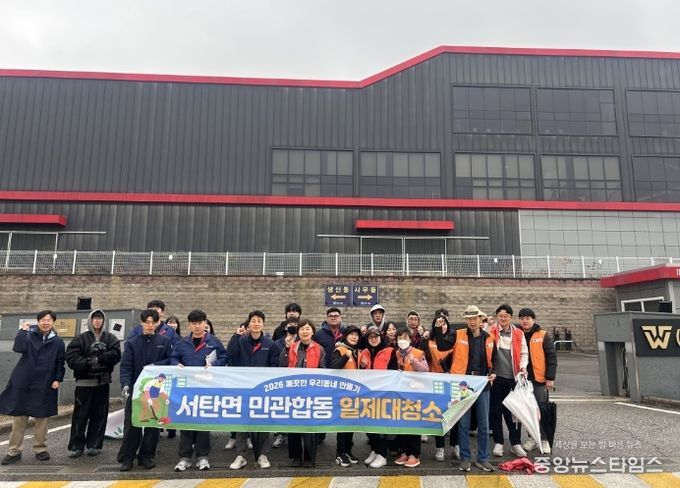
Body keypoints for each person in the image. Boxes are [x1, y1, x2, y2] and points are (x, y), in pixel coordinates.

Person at [0, 310, 65, 465]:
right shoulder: (29, 335)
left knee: (42, 418)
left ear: (53, 322)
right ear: (38, 321)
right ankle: (14, 451)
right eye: (43, 320)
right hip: (24, 382)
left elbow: (60, 362)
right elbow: (18, 348)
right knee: (19, 417)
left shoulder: (58, 342)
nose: (46, 322)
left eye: (49, 320)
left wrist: (58, 379)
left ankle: (40, 449)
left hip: (45, 382)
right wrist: (22, 332)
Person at [117, 309, 173, 471]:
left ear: (157, 323)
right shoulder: (132, 343)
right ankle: (127, 458)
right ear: (141, 323)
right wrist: (126, 384)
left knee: (153, 425)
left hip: (156, 392)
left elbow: (170, 360)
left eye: (153, 322)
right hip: (136, 390)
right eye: (147, 322)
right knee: (132, 424)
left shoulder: (164, 341)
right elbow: (126, 366)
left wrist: (155, 366)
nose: (150, 325)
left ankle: (146, 456)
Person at [172, 309, 227, 472]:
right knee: (186, 421)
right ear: (189, 324)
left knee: (203, 422)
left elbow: (224, 357)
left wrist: (214, 365)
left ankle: (203, 456)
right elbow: (173, 357)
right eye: (194, 323)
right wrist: (176, 364)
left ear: (205, 323)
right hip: (187, 388)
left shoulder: (214, 341)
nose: (197, 326)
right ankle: (184, 457)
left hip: (205, 388)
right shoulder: (183, 342)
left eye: (200, 323)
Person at [446, 305, 498, 473]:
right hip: (464, 385)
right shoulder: (458, 334)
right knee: (463, 423)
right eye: (469, 319)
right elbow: (443, 346)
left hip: (482, 384)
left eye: (475, 318)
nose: (472, 321)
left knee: (484, 424)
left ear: (480, 319)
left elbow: (495, 359)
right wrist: (439, 329)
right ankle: (465, 458)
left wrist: (494, 372)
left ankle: (483, 458)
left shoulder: (489, 338)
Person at [65, 309, 121, 458]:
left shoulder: (110, 338)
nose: (97, 321)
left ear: (104, 321)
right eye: (95, 318)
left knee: (99, 415)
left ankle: (94, 445)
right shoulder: (80, 338)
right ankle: (76, 446)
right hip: (84, 383)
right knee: (80, 416)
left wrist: (101, 359)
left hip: (102, 383)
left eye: (100, 318)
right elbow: (71, 356)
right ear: (90, 320)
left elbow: (116, 354)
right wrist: (87, 363)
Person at [227, 310, 278, 470]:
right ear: (248, 324)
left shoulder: (270, 344)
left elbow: (274, 365)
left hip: (263, 390)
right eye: (253, 321)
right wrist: (236, 336)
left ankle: (262, 455)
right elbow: (230, 355)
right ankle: (241, 455)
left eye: (259, 321)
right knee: (242, 423)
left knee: (263, 422)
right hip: (243, 388)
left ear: (263, 324)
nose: (256, 324)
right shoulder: (241, 340)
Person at [279, 319, 326, 468]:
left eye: (307, 329)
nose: (305, 331)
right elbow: (282, 365)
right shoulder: (292, 347)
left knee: (311, 426)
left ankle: (309, 457)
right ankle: (296, 457)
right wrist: (286, 348)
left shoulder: (319, 349)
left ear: (312, 331)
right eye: (302, 329)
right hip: (294, 392)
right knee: (294, 426)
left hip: (312, 393)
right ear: (298, 332)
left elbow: (323, 370)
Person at [488, 304, 529, 458]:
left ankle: (515, 443)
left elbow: (524, 352)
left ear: (511, 317)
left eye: (506, 316)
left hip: (513, 378)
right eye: (500, 316)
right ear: (497, 317)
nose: (503, 318)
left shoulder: (518, 333)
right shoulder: (491, 331)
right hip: (496, 378)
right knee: (496, 411)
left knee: (514, 412)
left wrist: (523, 367)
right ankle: (498, 442)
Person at [518, 308, 557, 454]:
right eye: (522, 318)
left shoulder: (543, 335)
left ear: (533, 320)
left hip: (539, 380)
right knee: (527, 410)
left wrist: (550, 378)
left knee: (542, 410)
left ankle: (545, 439)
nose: (525, 321)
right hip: (523, 381)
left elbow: (551, 357)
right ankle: (532, 438)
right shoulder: (517, 334)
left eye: (528, 318)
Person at [421, 313, 459, 461]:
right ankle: (440, 447)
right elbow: (423, 358)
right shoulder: (428, 339)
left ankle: (455, 445)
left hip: (452, 381)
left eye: (444, 323)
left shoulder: (454, 339)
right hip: (434, 382)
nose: (442, 325)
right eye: (438, 323)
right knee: (438, 415)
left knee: (454, 414)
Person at [359, 325, 397, 469]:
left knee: (382, 426)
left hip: (384, 394)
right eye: (370, 337)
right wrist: (362, 366)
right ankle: (374, 450)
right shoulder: (364, 352)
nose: (373, 339)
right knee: (369, 425)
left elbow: (393, 373)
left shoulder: (390, 351)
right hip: (368, 394)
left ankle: (382, 455)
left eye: (376, 336)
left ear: (381, 337)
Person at [393, 328, 429, 468]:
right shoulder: (396, 353)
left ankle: (414, 454)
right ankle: (405, 452)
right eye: (400, 338)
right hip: (400, 394)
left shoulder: (418, 353)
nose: (402, 340)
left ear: (410, 340)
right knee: (402, 424)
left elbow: (426, 370)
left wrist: (414, 362)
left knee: (413, 424)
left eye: (405, 338)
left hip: (415, 394)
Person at [330, 325, 362, 467]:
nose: (354, 337)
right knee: (342, 425)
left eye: (356, 335)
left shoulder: (356, 352)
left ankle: (347, 451)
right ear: (345, 336)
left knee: (350, 424)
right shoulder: (340, 350)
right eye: (351, 334)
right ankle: (340, 453)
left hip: (354, 394)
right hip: (342, 394)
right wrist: (345, 357)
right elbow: (334, 367)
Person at [270, 317, 299, 450]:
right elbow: (275, 361)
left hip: (297, 381)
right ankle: (280, 434)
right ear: (285, 327)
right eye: (290, 324)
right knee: (282, 409)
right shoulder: (277, 343)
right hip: (281, 381)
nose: (293, 326)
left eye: (295, 324)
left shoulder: (302, 342)